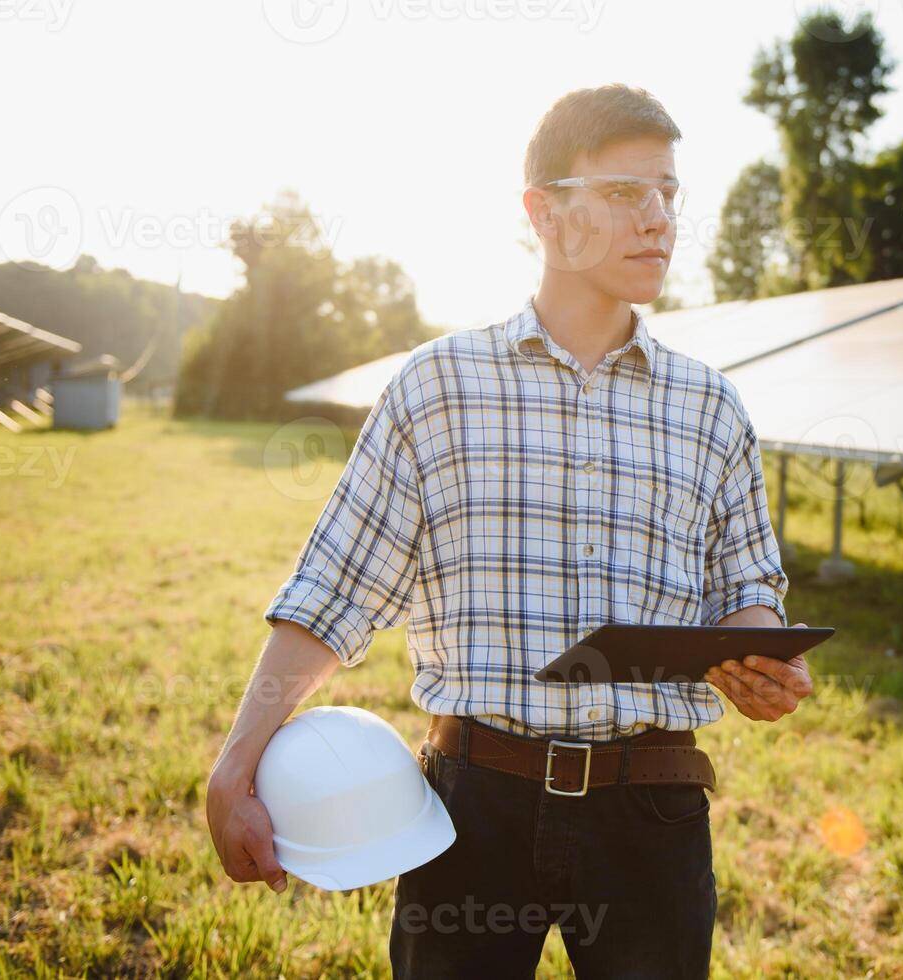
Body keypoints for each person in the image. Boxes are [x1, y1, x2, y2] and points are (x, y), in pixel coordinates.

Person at [206, 82, 815, 979]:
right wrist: (235, 767)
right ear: (545, 212)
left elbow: (749, 591)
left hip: (655, 814)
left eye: (669, 195)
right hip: (469, 811)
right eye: (623, 194)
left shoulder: (711, 407)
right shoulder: (437, 387)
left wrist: (765, 659)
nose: (657, 219)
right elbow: (335, 594)